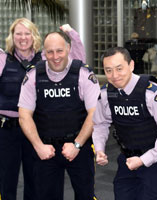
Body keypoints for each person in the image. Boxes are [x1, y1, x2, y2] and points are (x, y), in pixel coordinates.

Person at [0, 18, 85, 200]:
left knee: (36, 181)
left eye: (27, 33)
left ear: (34, 36)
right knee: (6, 181)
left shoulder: (45, 59)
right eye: (18, 33)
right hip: (7, 130)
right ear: (12, 36)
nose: (23, 37)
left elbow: (77, 61)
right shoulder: (2, 59)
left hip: (35, 130)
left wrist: (71, 33)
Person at [18, 31, 99, 200]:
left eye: (59, 50)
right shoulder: (33, 76)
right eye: (50, 52)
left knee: (85, 195)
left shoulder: (84, 74)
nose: (55, 56)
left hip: (79, 146)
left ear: (68, 48)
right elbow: (24, 115)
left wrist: (76, 145)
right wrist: (39, 146)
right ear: (44, 53)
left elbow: (95, 113)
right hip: (46, 149)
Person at [92, 47, 157, 200]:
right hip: (127, 159)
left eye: (119, 69)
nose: (114, 75)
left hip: (155, 159)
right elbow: (100, 124)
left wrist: (143, 160)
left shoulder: (152, 93)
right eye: (108, 70)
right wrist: (99, 149)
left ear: (131, 65)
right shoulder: (106, 93)